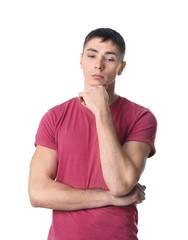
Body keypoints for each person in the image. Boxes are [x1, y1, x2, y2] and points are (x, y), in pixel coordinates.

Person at [28, 28, 157, 240]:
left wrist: (101, 111)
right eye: (91, 55)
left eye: (110, 58)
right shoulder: (55, 116)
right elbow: (38, 193)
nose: (98, 64)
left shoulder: (141, 117)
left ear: (121, 67)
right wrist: (111, 198)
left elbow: (120, 183)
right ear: (81, 60)